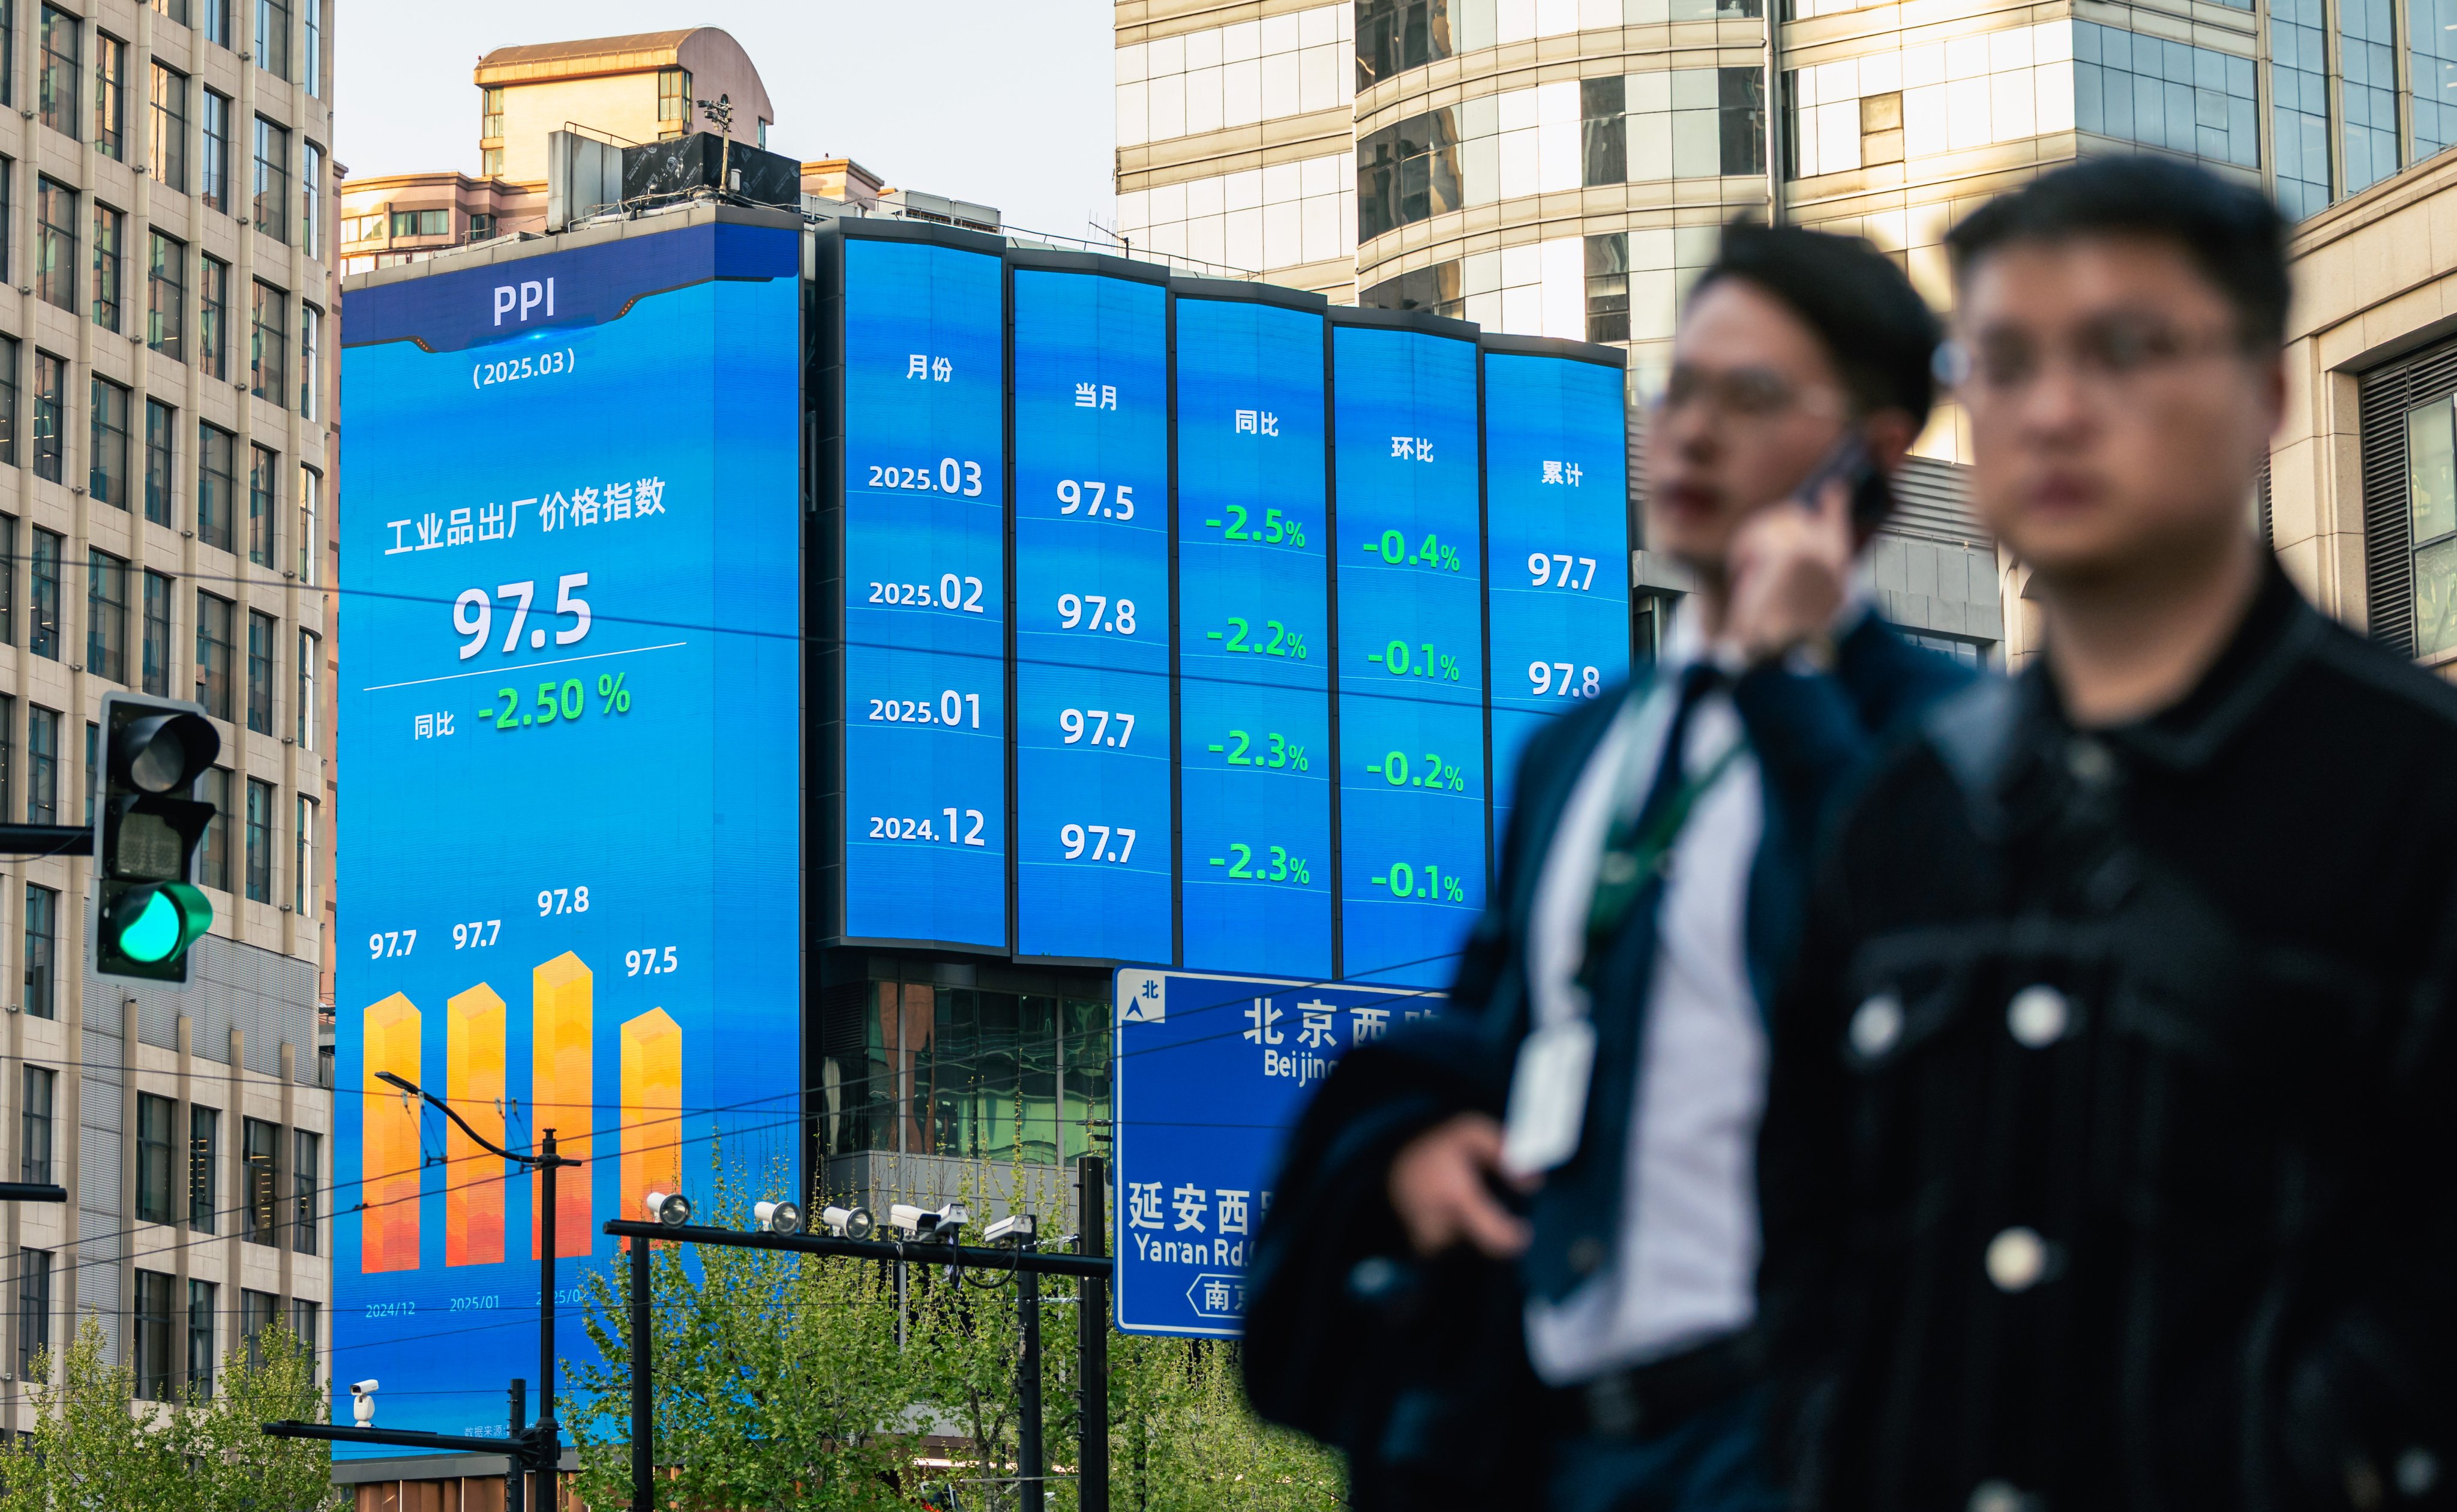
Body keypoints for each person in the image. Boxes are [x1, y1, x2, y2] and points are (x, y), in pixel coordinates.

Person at [1756, 155, 2457, 1511]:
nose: (2055, 411)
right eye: (2004, 362)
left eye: (2125, 351)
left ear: (2262, 392)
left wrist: (2323, 1450)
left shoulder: (2410, 792)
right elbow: (1799, 1225)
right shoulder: (1902, 816)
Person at [1241, 223, 1973, 1512]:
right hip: (1540, 1432)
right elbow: (1490, 1026)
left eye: (1748, 397)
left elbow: (1914, 998)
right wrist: (1417, 1144)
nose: (1687, 433)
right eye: (1677, 388)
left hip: (1792, 1433)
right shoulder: (1579, 750)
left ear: (1873, 446)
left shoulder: (1944, 737)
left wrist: (1784, 684)